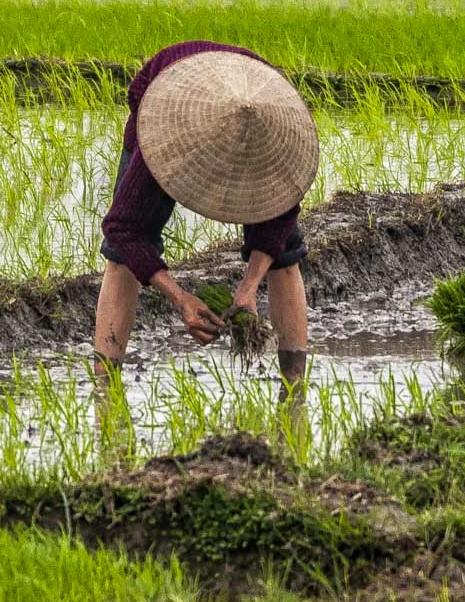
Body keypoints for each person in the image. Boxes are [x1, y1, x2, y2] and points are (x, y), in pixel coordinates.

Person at [94, 40, 319, 390]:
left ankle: (294, 382)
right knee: (120, 254)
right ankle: (104, 382)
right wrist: (180, 298)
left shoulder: (276, 138)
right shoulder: (165, 136)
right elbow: (124, 228)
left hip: (255, 100)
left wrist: (248, 288)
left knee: (285, 250)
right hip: (171, 99)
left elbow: (277, 225)